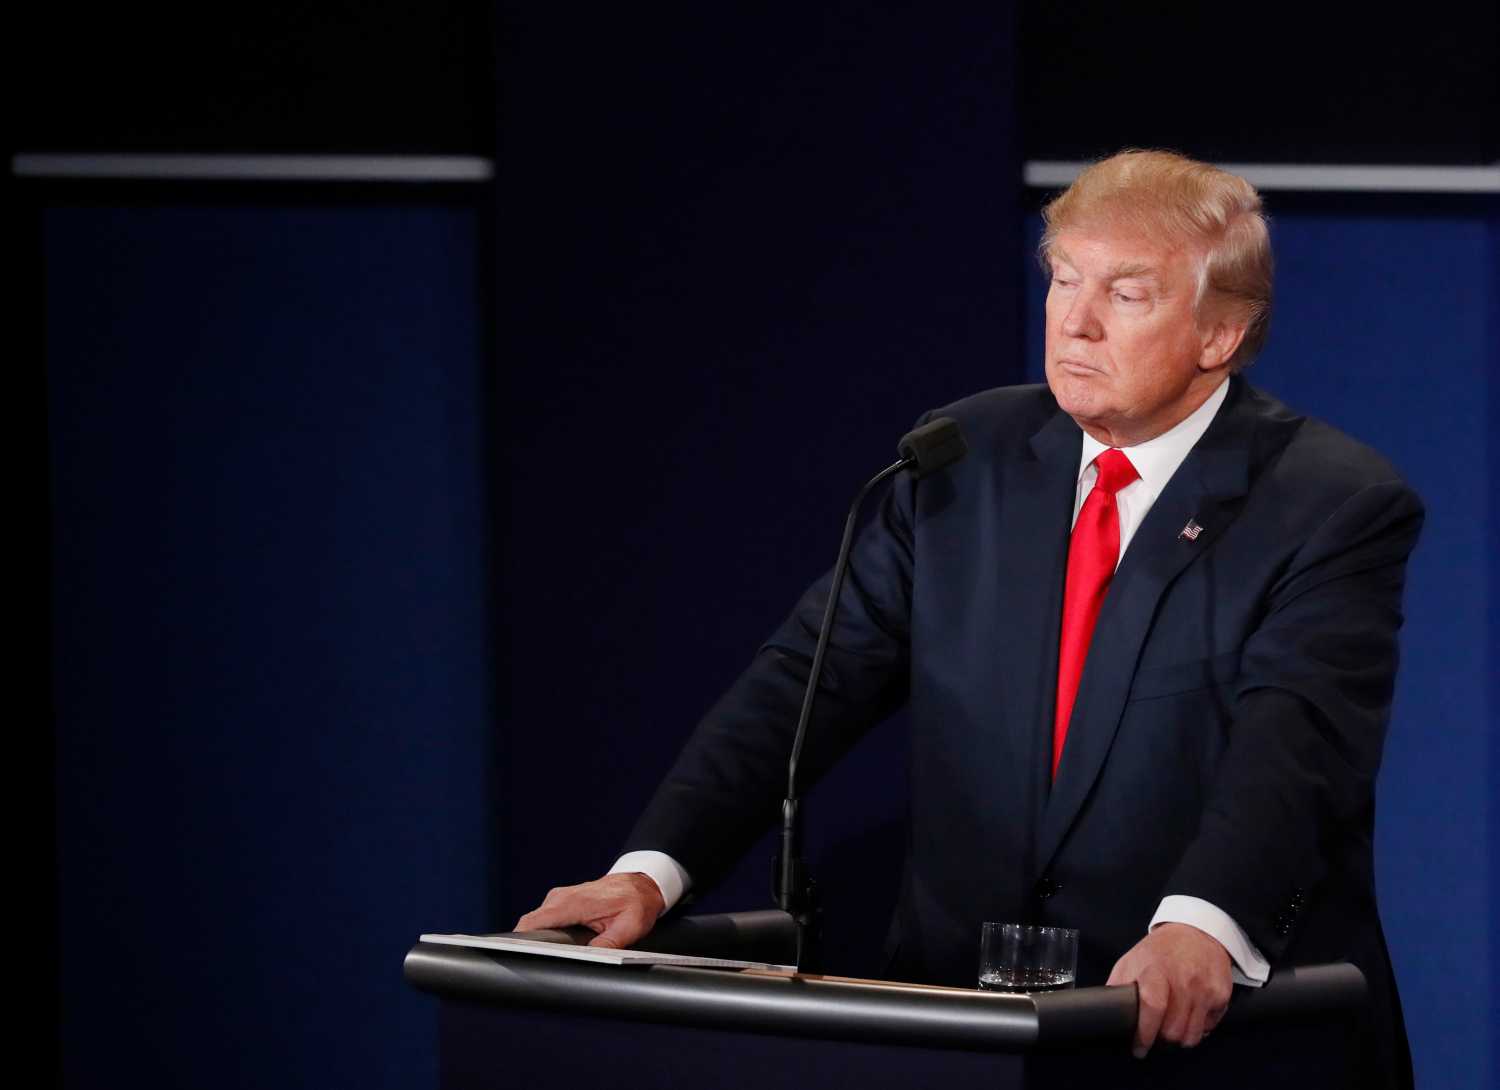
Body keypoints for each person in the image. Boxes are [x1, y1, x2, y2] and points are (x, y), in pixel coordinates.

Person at [517, 150, 1420, 1088]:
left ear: (1221, 333)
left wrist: (1200, 922)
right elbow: (803, 682)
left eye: (1127, 294)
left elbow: (1295, 744)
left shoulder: (1328, 502)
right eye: (1065, 279)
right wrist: (650, 870)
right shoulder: (962, 459)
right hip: (967, 1034)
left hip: (1205, 1034)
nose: (1075, 322)